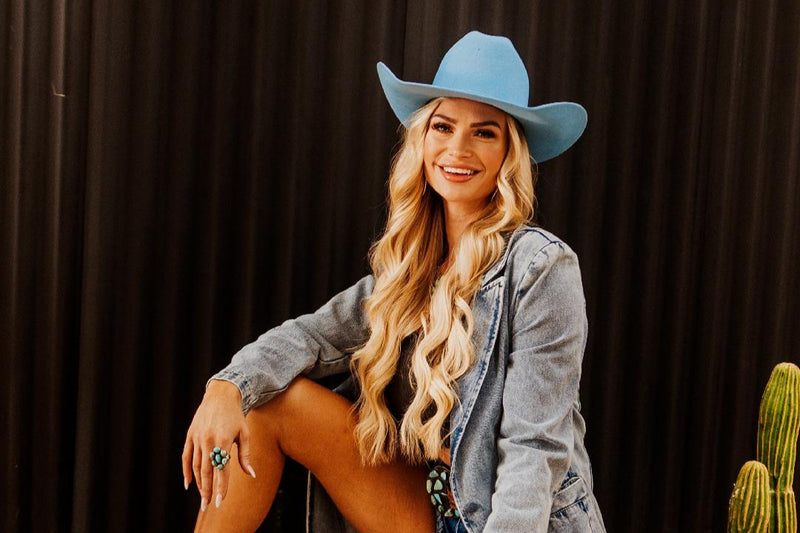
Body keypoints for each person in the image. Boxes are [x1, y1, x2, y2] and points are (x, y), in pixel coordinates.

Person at [182, 31, 606, 533]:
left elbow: (535, 449)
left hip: (506, 521)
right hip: (431, 508)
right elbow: (309, 337)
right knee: (267, 403)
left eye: (484, 132)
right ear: (423, 139)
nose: (458, 148)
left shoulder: (541, 269)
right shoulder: (410, 271)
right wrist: (225, 389)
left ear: (509, 153)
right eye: (443, 126)